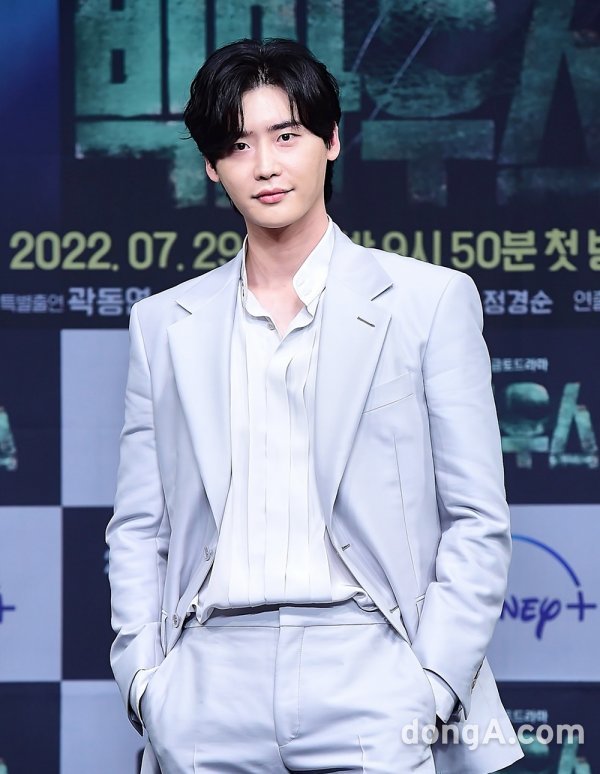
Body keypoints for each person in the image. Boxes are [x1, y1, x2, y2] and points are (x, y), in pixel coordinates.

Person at [106, 38, 523, 774]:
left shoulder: (427, 302)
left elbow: (476, 516)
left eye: (287, 135)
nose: (265, 165)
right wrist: (146, 682)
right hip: (207, 680)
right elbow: (142, 525)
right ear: (211, 165)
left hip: (371, 665)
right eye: (238, 144)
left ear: (330, 140)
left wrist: (429, 685)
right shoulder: (164, 324)